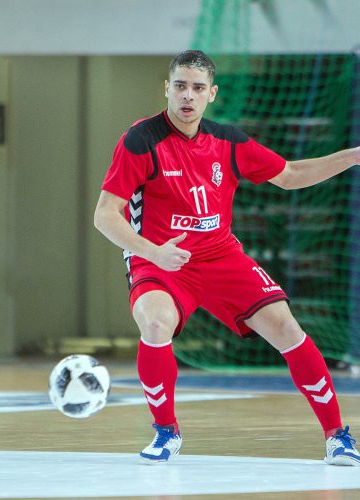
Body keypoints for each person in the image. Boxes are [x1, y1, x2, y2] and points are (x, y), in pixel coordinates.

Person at [94, 49, 360, 466]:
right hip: (161, 258)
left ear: (212, 94)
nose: (188, 96)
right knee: (155, 321)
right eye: (180, 86)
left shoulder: (228, 141)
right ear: (166, 88)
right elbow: (105, 215)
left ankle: (337, 437)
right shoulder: (141, 139)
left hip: (220, 257)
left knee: (288, 329)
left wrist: (354, 155)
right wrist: (152, 252)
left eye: (198, 88)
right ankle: (166, 432)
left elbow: (289, 177)